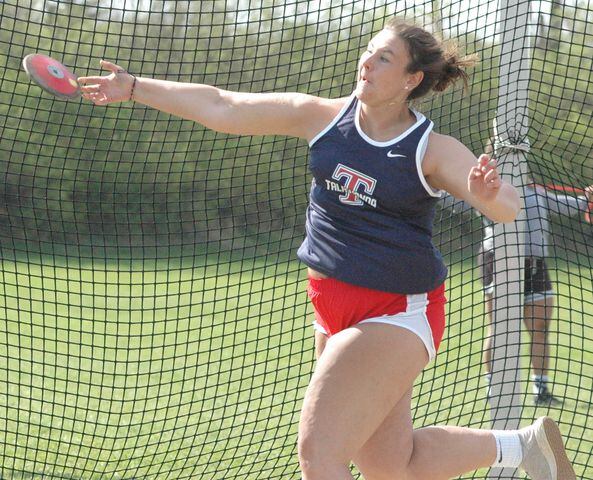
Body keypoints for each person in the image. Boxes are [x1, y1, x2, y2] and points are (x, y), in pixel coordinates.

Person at [78, 18, 576, 480]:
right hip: (332, 307)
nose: (366, 62)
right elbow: (223, 106)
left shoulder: (431, 148)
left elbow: (507, 207)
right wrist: (135, 88)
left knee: (320, 456)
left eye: (383, 58)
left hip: (396, 312)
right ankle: (525, 447)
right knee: (393, 466)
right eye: (368, 51)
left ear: (411, 80)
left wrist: (490, 195)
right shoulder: (322, 117)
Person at [478, 181, 593, 405]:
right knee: (499, 329)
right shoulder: (487, 188)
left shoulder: (535, 191)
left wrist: (586, 199)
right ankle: (494, 389)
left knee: (540, 329)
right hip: (499, 261)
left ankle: (541, 390)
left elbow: (563, 205)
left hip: (535, 265)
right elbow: (455, 198)